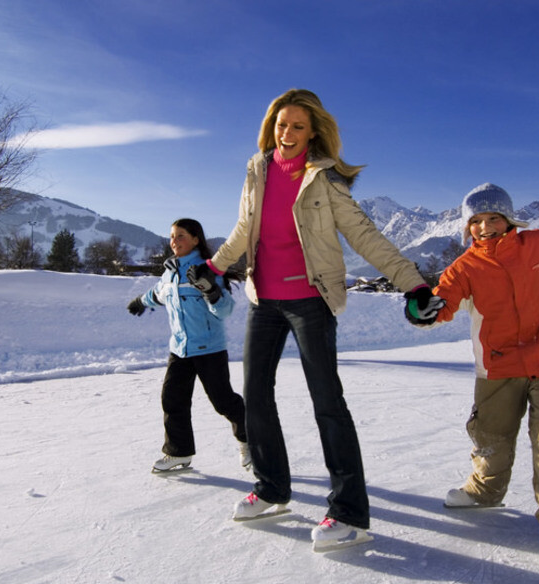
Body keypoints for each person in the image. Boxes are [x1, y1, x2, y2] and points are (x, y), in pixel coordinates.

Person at [188, 89, 443, 551]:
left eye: (297, 127)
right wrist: (214, 266)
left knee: (327, 401)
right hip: (264, 299)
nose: (287, 134)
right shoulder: (257, 170)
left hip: (310, 299)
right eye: (281, 125)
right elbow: (245, 229)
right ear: (272, 126)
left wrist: (414, 284)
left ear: (314, 133)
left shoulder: (324, 180)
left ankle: (348, 512)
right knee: (257, 397)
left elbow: (367, 237)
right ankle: (271, 488)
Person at [415, 182, 539, 555]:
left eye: (493, 217)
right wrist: (421, 311)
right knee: (490, 435)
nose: (485, 226)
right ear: (467, 226)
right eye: (476, 220)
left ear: (509, 219)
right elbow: (440, 304)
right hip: (498, 365)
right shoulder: (465, 267)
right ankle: (485, 492)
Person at [127, 218, 250, 474]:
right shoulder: (170, 271)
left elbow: (225, 310)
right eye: (172, 236)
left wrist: (211, 292)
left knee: (223, 401)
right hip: (180, 349)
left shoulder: (206, 270)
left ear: (195, 239)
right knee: (172, 399)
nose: (174, 241)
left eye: (180, 235)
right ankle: (179, 452)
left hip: (209, 348)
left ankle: (250, 441)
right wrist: (141, 301)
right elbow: (159, 293)